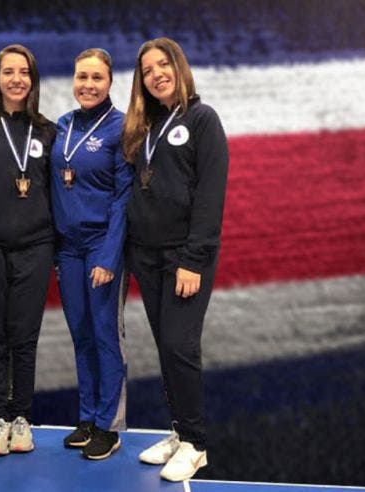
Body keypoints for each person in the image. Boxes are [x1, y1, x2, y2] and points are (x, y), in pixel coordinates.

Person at [121, 37, 229, 481]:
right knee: (167, 347)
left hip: (185, 258)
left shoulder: (202, 119)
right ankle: (180, 431)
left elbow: (209, 197)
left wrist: (193, 258)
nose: (156, 74)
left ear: (179, 68)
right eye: (147, 70)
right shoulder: (143, 127)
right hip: (145, 255)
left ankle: (197, 444)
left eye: (163, 65)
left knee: (182, 346)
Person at [0, 44, 56, 457]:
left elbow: (61, 193)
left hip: (36, 247)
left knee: (25, 337)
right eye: (9, 71)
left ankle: (22, 417)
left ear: (33, 79)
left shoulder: (49, 132)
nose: (17, 79)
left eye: (24, 72)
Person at [49, 48, 132, 460]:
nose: (88, 85)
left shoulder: (121, 128)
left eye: (97, 78)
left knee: (105, 336)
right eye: (82, 76)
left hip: (102, 247)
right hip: (68, 249)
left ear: (110, 82)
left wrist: (110, 256)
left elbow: (123, 198)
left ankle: (109, 426)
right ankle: (86, 418)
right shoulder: (63, 125)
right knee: (81, 335)